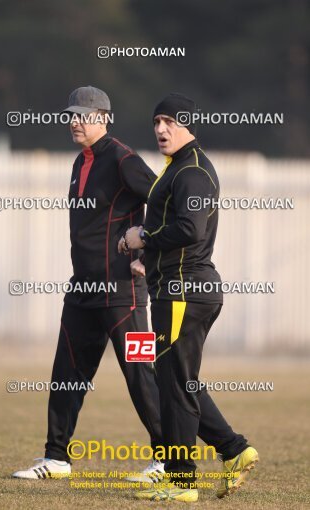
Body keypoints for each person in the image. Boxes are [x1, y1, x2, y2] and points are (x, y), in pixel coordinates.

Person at [12, 86, 164, 480]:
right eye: (71, 114)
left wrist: (146, 252)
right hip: (82, 290)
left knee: (139, 372)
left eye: (83, 115)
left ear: (103, 117)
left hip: (124, 292)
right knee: (66, 372)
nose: (74, 121)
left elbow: (166, 202)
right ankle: (56, 457)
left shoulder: (123, 158)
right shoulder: (81, 161)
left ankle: (168, 460)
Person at [120, 93, 259, 502]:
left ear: (189, 124)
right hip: (178, 285)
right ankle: (234, 450)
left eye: (170, 121)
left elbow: (191, 229)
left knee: (175, 385)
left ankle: (182, 482)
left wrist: (141, 237)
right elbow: (179, 233)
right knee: (176, 380)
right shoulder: (178, 168)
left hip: (185, 291)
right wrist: (151, 259)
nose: (161, 128)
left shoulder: (193, 170)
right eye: (156, 121)